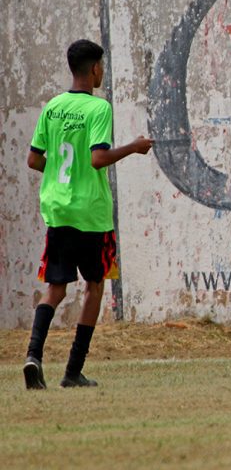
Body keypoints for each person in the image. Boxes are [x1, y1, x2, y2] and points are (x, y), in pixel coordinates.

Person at [23, 39, 154, 389]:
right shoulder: (99, 109)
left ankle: (33, 356)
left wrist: (60, 176)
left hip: (58, 208)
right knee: (94, 287)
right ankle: (72, 372)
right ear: (95, 68)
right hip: (91, 213)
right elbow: (98, 158)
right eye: (102, 67)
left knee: (55, 288)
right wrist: (134, 148)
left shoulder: (53, 107)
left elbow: (34, 160)